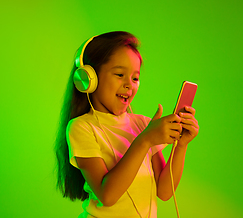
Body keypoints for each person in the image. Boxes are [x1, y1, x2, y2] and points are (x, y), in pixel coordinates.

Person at [55, 31, 199, 218]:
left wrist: (181, 144)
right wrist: (145, 140)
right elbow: (107, 195)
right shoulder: (81, 128)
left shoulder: (142, 124)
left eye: (135, 78)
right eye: (120, 74)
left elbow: (164, 191)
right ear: (90, 77)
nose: (129, 85)